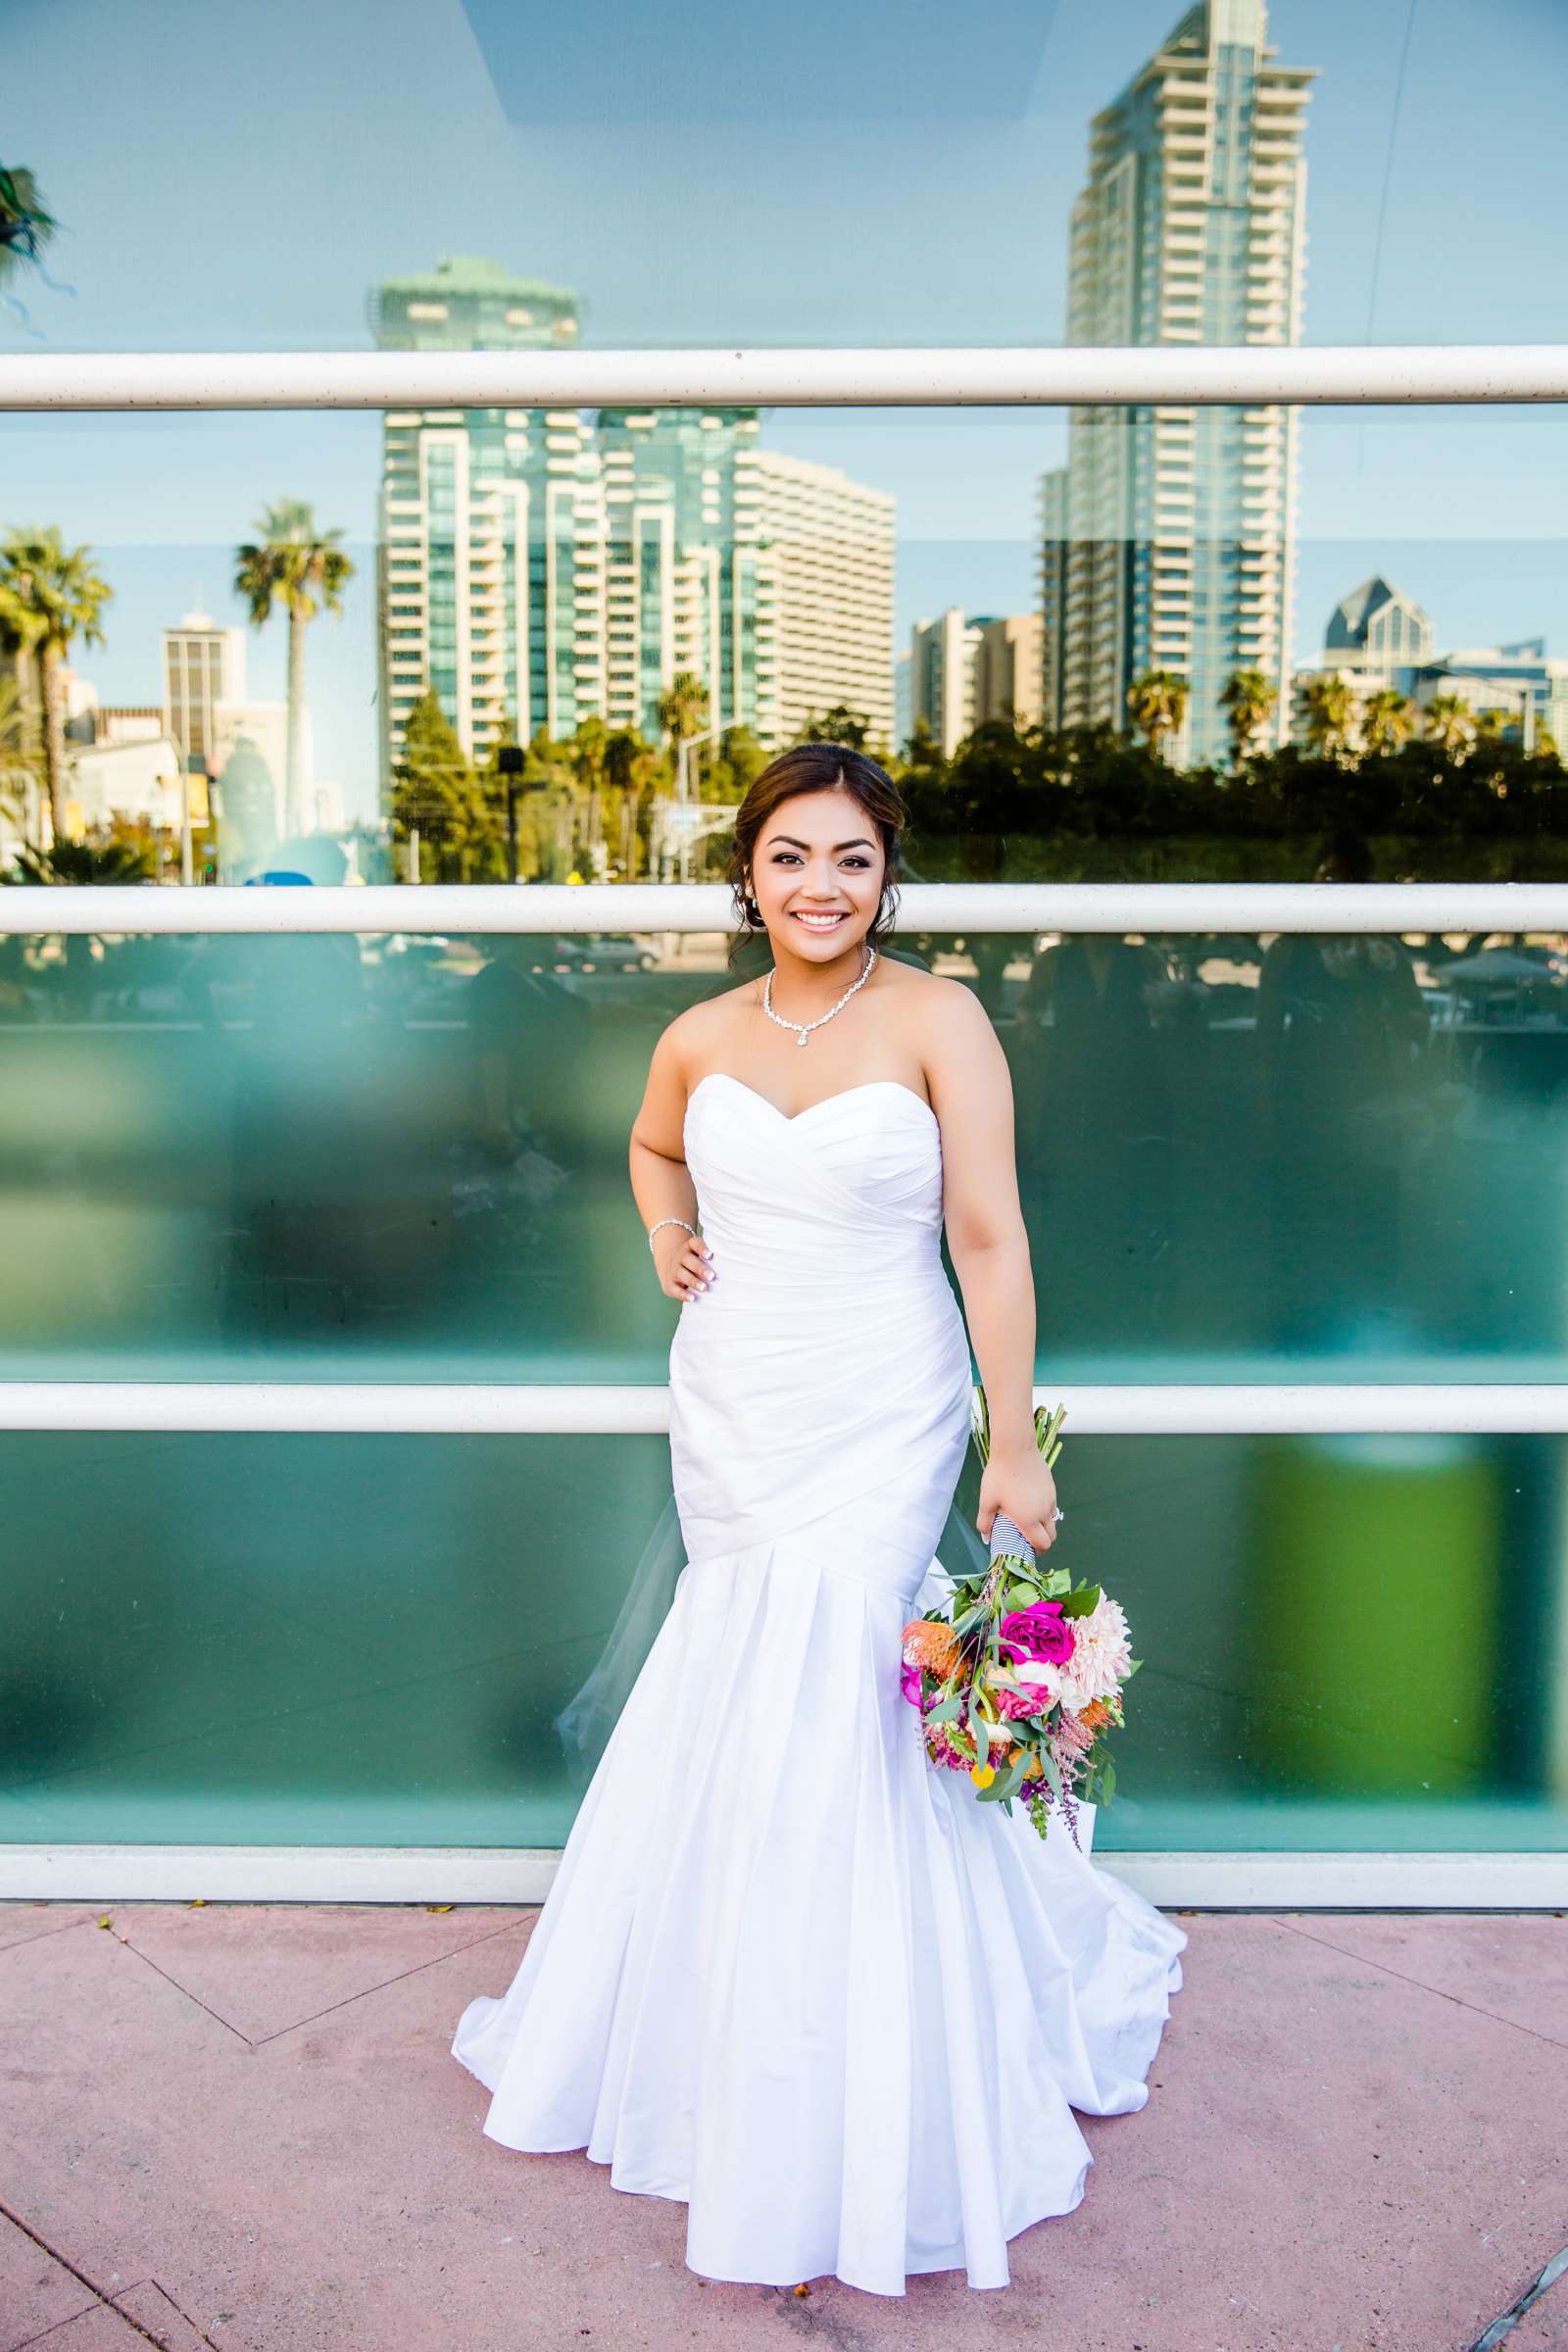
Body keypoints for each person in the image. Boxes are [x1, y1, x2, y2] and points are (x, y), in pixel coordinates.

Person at [451, 744, 1187, 2296]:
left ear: (885, 871)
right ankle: (721, 2031)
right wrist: (667, 1229)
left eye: (851, 858)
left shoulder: (939, 1020)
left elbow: (987, 1238)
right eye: (792, 856)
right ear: (747, 871)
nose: (820, 887)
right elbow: (653, 1149)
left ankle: (863, 2049)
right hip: (733, 1398)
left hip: (885, 1399)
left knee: (853, 1673)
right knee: (740, 1670)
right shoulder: (698, 1031)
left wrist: (1011, 1443)